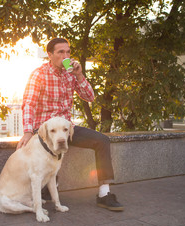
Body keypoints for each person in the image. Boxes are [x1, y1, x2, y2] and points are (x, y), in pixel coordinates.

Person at [17, 37, 124, 211]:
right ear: (50, 55)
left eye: (68, 52)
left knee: (102, 141)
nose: (65, 55)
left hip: (67, 129)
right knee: (50, 148)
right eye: (60, 52)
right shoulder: (39, 74)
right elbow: (29, 103)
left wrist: (79, 75)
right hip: (46, 131)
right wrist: (28, 132)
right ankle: (48, 189)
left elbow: (90, 97)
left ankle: (104, 194)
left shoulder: (71, 75)